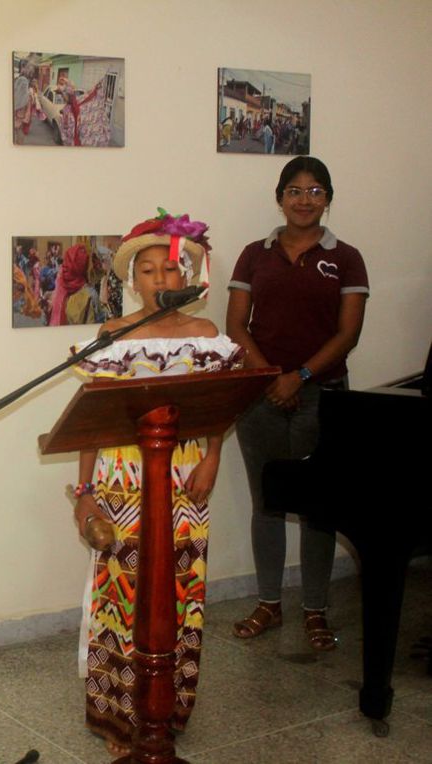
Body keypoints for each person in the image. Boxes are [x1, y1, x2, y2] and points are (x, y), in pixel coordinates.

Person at [71, 211, 243, 756]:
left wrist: (213, 457)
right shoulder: (112, 336)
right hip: (122, 480)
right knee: (123, 596)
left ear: (187, 274)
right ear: (133, 281)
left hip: (184, 477)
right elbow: (90, 423)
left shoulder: (206, 335)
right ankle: (119, 715)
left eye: (170, 270)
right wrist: (85, 495)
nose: (160, 281)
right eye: (147, 272)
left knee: (179, 591)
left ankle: (165, 711)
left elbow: (222, 405)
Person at [227, 156, 368, 651]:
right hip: (260, 394)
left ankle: (315, 611)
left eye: (315, 191)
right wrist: (271, 378)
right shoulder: (253, 254)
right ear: (279, 196)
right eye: (294, 190)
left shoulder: (346, 257)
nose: (304, 199)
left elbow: (348, 333)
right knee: (267, 502)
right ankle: (268, 603)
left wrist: (301, 376)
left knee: (318, 507)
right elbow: (236, 327)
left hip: (325, 396)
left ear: (328, 198)